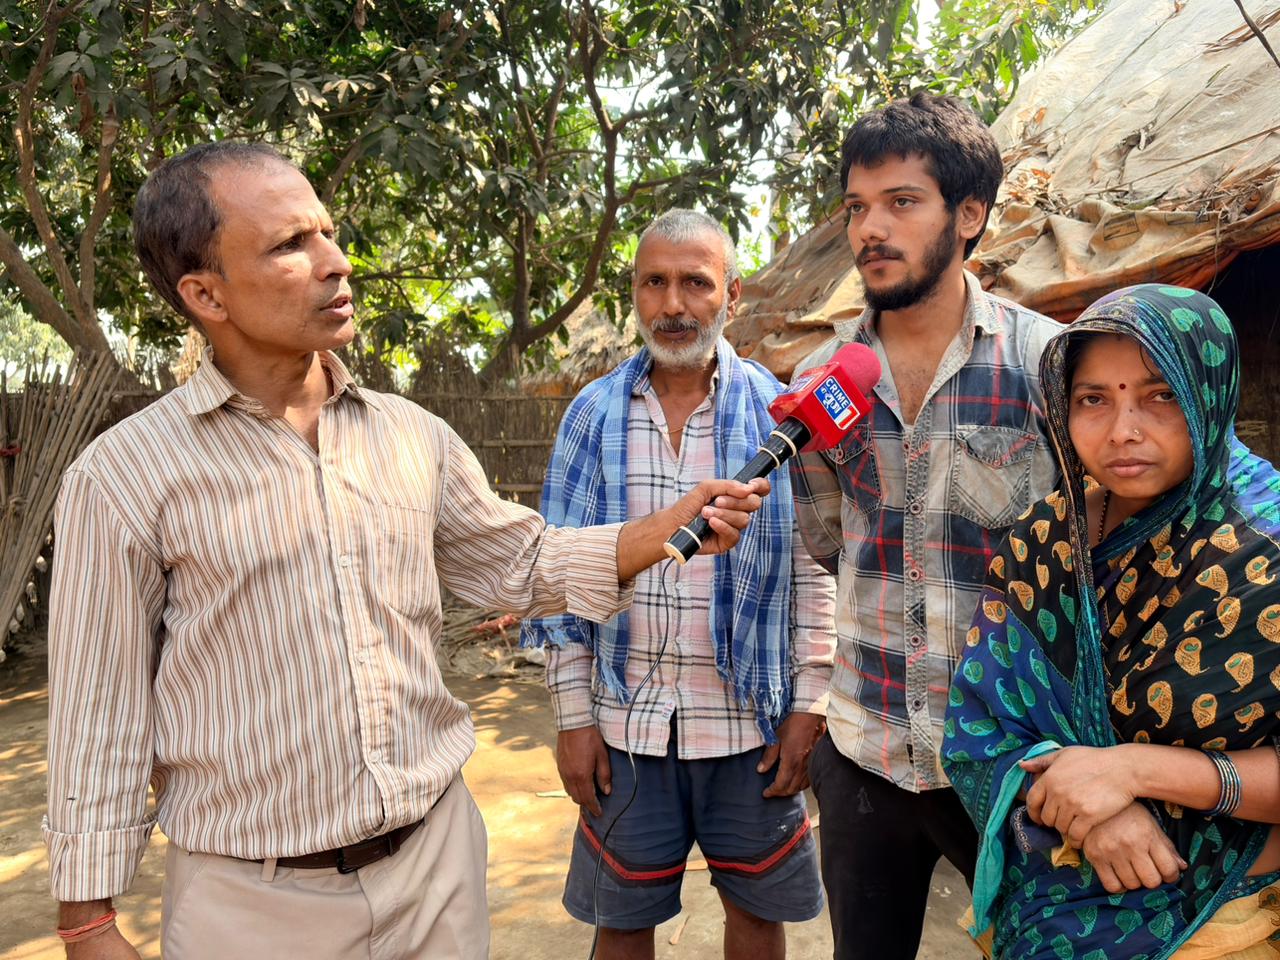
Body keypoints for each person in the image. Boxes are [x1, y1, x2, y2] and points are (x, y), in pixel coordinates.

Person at [42, 144, 770, 960]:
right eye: (291, 245)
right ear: (204, 292)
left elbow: (520, 566)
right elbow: (95, 713)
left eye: (327, 232)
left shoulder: (410, 436)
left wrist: (657, 532)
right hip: (251, 906)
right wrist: (88, 921)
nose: (336, 262)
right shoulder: (125, 478)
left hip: (436, 872)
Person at [787, 92, 1064, 960]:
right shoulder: (821, 379)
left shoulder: (1049, 366)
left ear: (969, 215)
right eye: (857, 207)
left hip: (1016, 761)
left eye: (901, 202)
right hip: (864, 748)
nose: (871, 228)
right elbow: (829, 544)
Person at [521, 209, 836, 960]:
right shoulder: (591, 416)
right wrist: (573, 716)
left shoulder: (777, 415)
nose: (672, 304)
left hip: (749, 726)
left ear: (730, 294)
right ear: (633, 293)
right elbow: (555, 574)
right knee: (622, 925)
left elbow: (809, 572)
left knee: (758, 918)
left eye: (695, 283)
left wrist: (809, 702)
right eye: (653, 283)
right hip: (625, 728)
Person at [942, 284, 1280, 960]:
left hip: (1220, 915)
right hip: (1051, 903)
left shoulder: (1263, 551)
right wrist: (1095, 816)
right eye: (1093, 399)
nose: (1123, 429)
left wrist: (1133, 770)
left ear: (1209, 392)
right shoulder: (1046, 538)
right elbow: (981, 722)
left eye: (1159, 395)